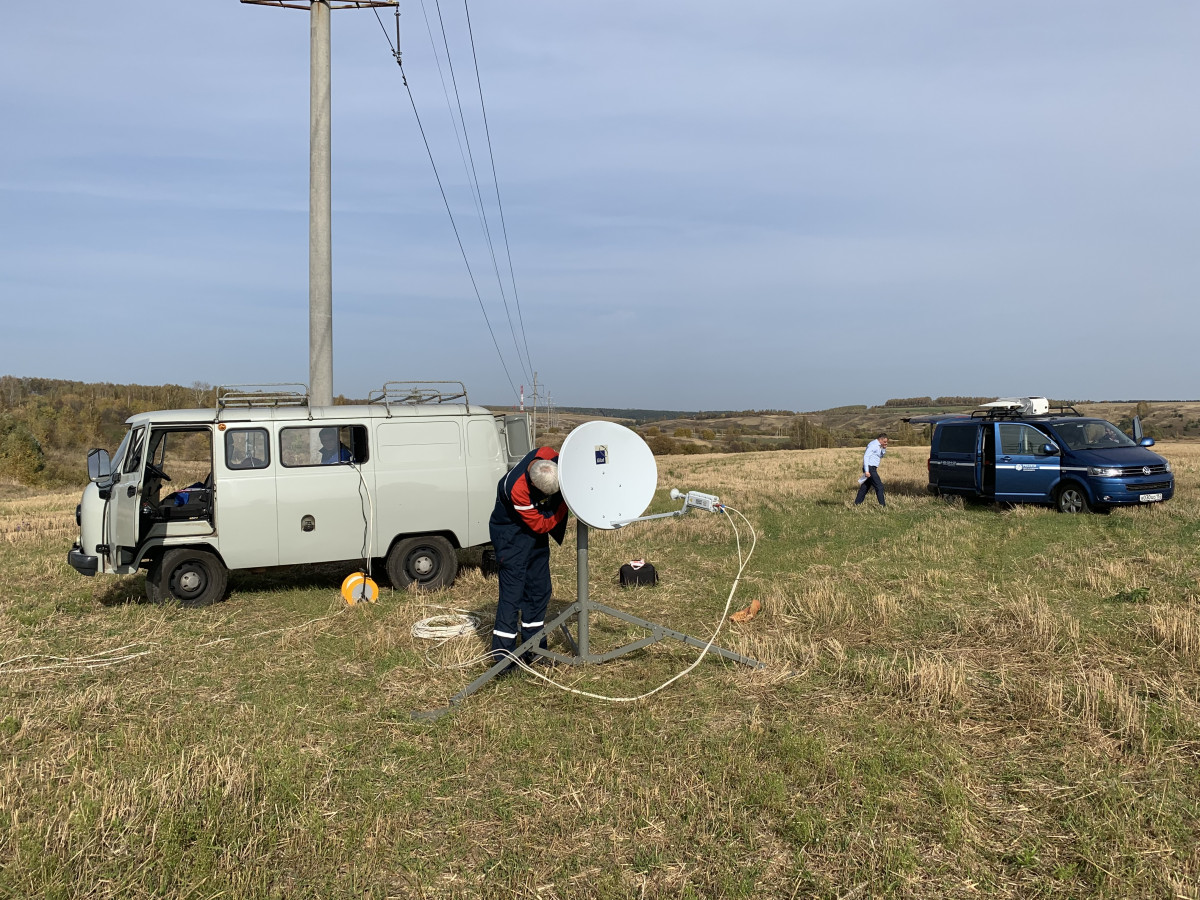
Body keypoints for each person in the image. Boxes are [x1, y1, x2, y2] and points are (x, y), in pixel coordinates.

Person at [489, 447, 569, 670]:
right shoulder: (517, 489)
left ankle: (534, 649)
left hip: (534, 539)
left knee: (539, 590)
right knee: (512, 597)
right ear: (534, 485)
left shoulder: (549, 454)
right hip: (511, 538)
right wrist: (563, 505)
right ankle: (504, 659)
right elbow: (541, 524)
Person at [854, 432, 888, 507]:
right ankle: (882, 505)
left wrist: (884, 449)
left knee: (865, 487)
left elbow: (881, 456)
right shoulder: (873, 445)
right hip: (870, 468)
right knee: (879, 486)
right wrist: (866, 471)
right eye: (885, 442)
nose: (886, 443)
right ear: (880, 439)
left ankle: (857, 503)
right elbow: (866, 457)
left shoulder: (879, 446)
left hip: (872, 468)